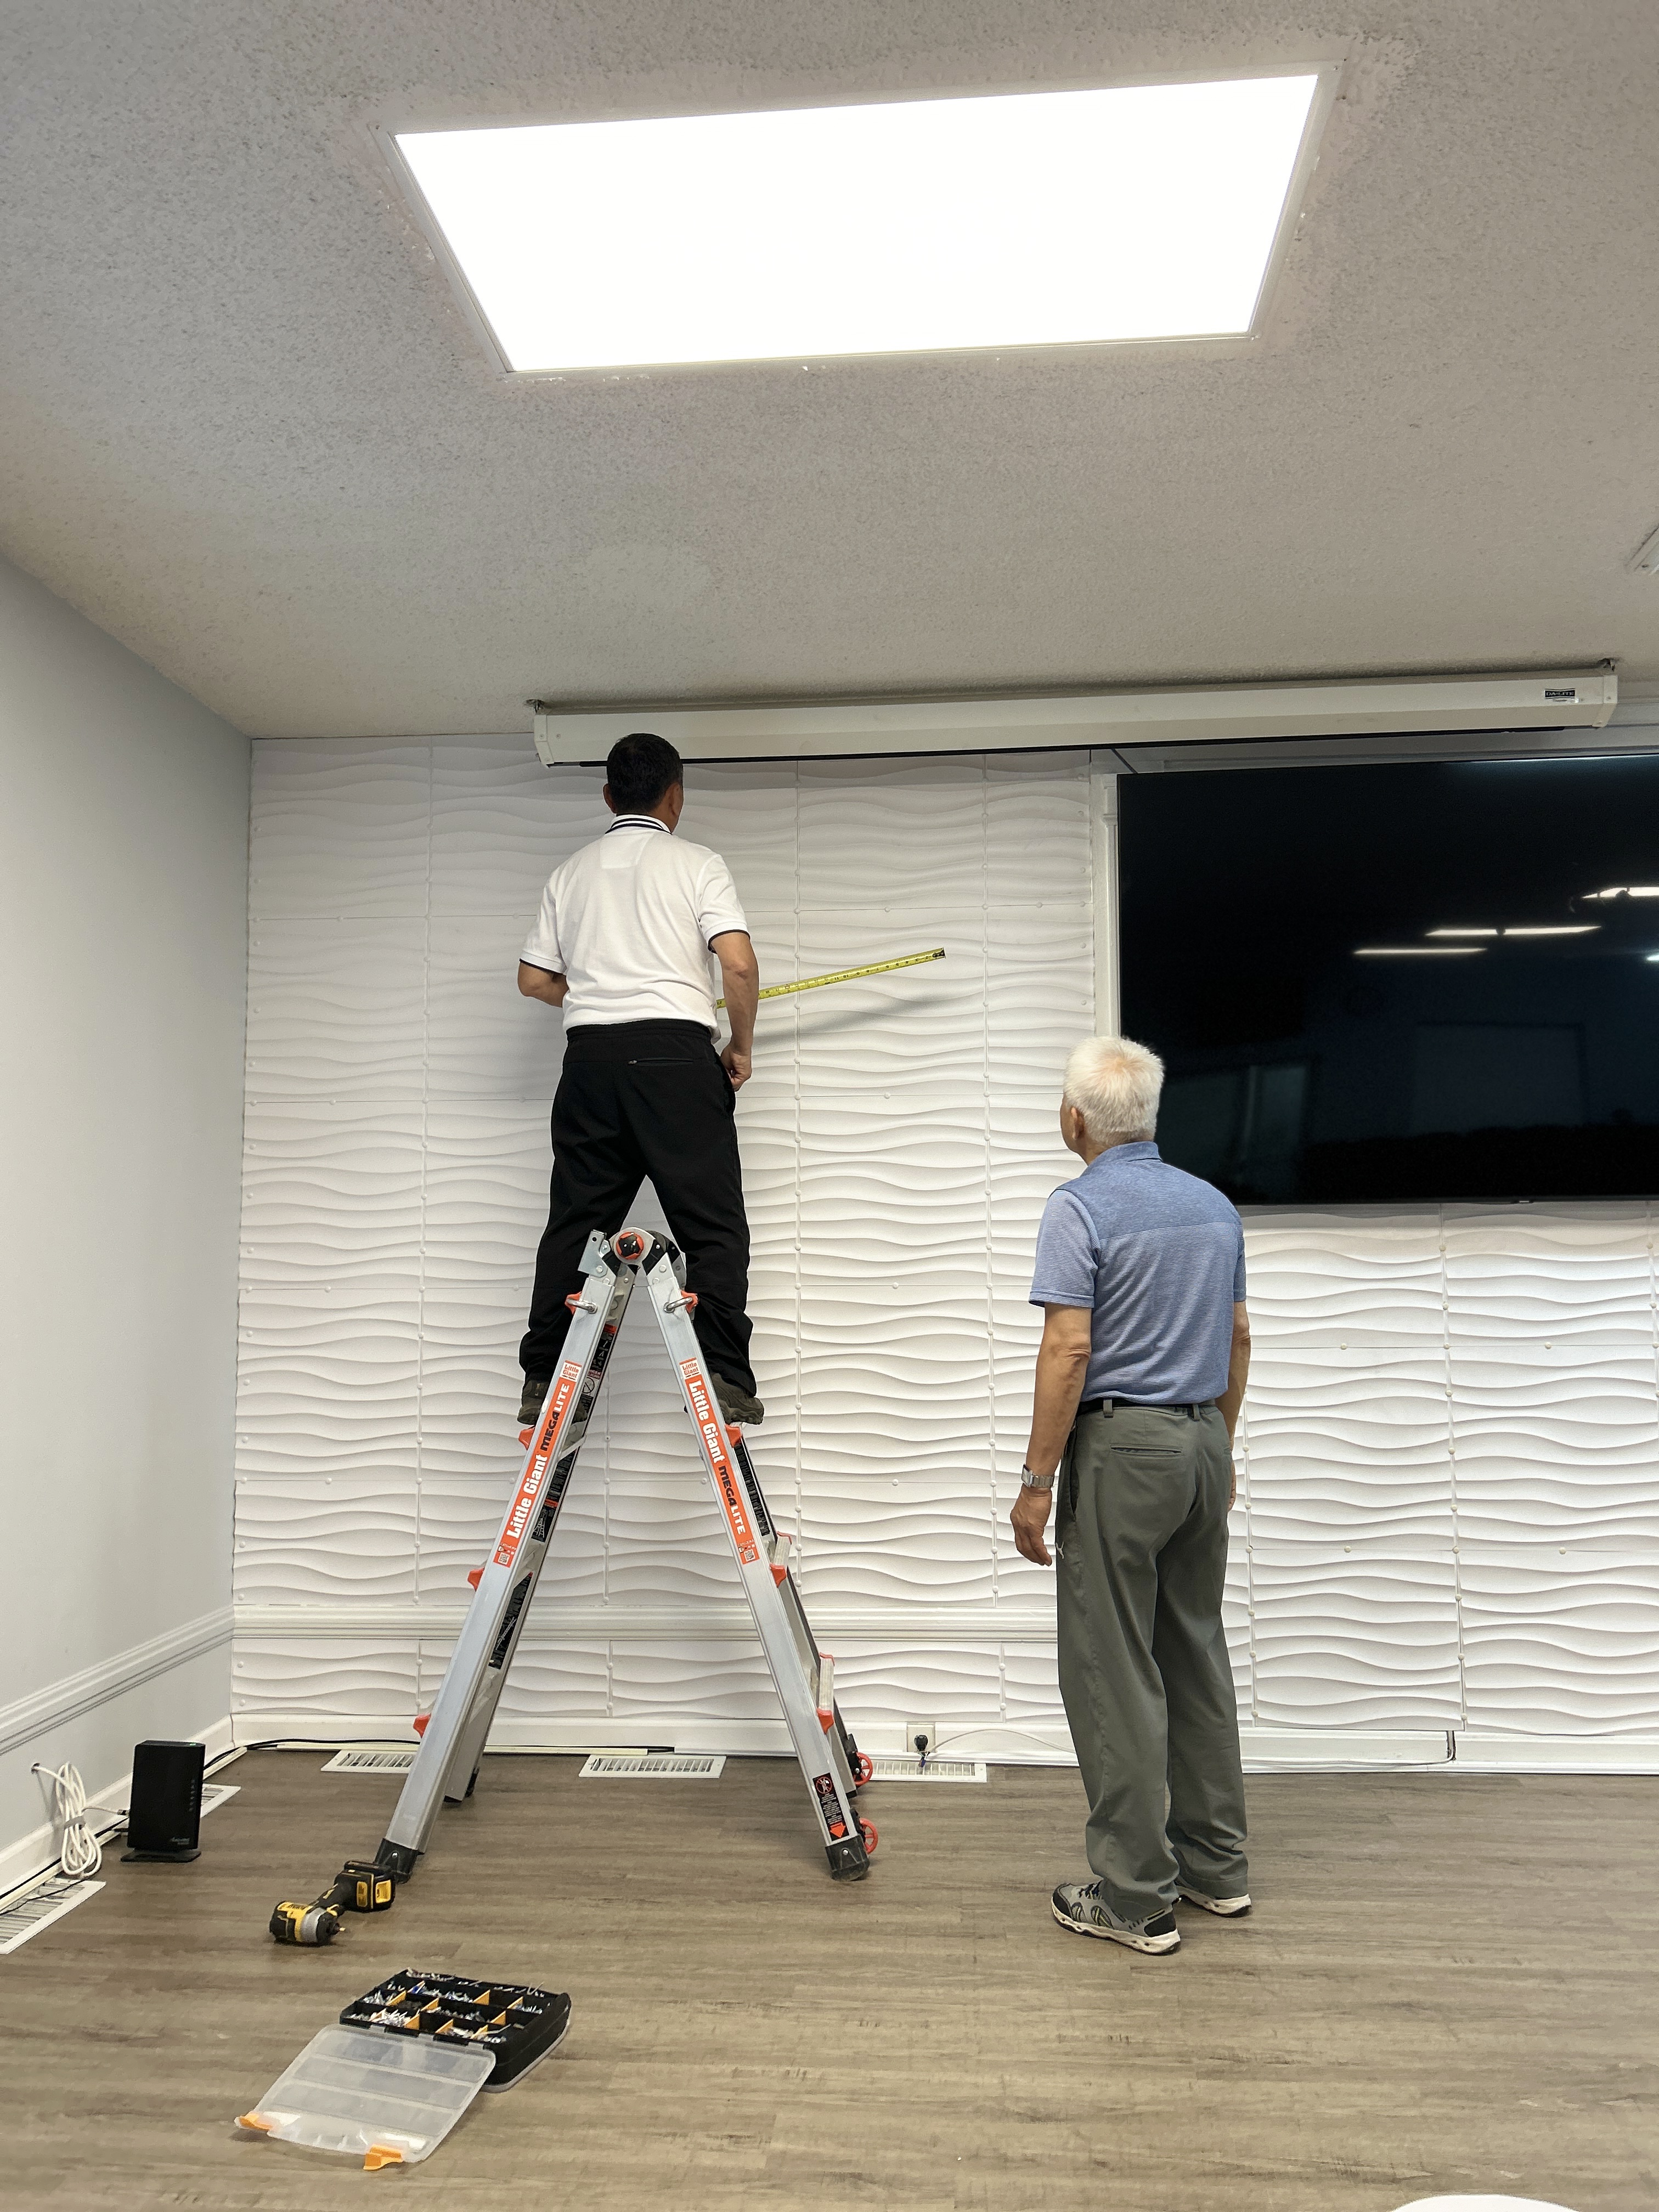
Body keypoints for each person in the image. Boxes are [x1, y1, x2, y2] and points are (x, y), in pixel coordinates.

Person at [1011, 1034, 1252, 1956]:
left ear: (1074, 1119)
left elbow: (1068, 1347)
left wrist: (1037, 1482)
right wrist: (1220, 1447)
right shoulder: (1212, 1205)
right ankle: (1216, 1870)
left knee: (1111, 1668)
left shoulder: (1077, 1207)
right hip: (1200, 1440)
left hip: (1123, 1450)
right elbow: (1236, 1337)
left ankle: (1135, 1897)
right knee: (1192, 1653)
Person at [515, 731, 763, 1430]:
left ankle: (542, 1377)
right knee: (712, 1227)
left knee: (576, 1224)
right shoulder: (697, 863)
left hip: (590, 1062)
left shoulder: (569, 874)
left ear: (608, 796)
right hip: (676, 1060)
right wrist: (741, 1048)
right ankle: (723, 1377)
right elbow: (738, 965)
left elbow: (533, 979)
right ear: (675, 795)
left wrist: (597, 994)